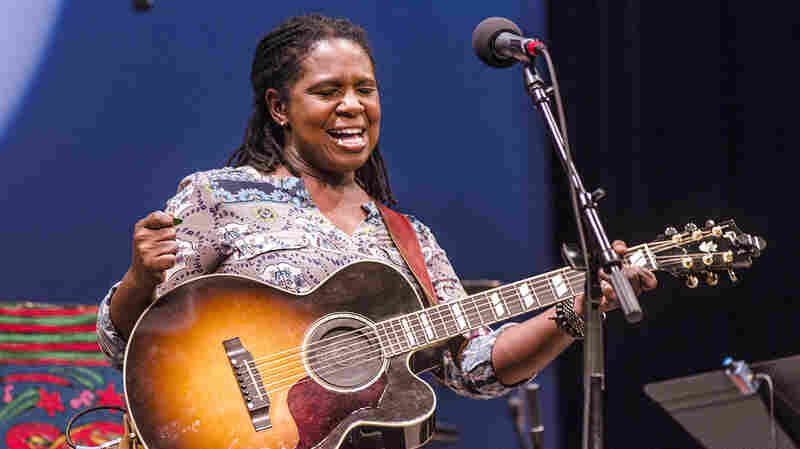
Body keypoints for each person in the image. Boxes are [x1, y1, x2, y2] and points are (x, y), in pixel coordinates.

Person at [95, 13, 656, 448]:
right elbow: (126, 346)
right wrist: (140, 280)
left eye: (364, 89)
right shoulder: (218, 196)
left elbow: (475, 366)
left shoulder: (408, 238)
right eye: (327, 91)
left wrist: (574, 311)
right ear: (279, 107)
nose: (352, 106)